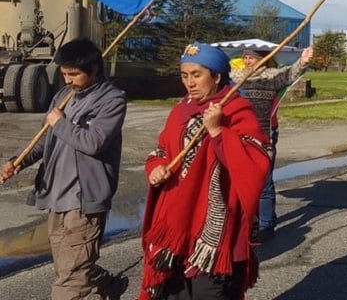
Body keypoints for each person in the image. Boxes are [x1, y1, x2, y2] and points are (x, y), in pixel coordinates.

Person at [140, 42, 271, 300]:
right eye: (184, 75)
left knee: (208, 292)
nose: (189, 82)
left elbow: (255, 163)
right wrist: (156, 168)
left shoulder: (236, 109)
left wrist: (217, 131)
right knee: (174, 292)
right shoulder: (180, 110)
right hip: (178, 219)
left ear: (217, 76)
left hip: (215, 227)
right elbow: (162, 150)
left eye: (197, 75)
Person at [0, 37, 128, 300]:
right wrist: (18, 161)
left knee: (69, 283)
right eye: (64, 74)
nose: (68, 80)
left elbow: (94, 142)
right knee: (70, 268)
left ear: (94, 70)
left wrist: (60, 123)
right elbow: (45, 138)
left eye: (74, 74)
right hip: (55, 196)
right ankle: (108, 285)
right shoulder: (63, 96)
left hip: (84, 201)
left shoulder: (112, 100)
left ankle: (95, 284)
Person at [229, 45, 313, 241]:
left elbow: (289, 76)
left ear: (264, 59)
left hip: (263, 136)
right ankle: (246, 222)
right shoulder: (234, 77)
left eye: (252, 58)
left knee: (264, 183)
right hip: (237, 136)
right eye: (246, 58)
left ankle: (267, 224)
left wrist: (303, 62)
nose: (248, 61)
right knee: (239, 182)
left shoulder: (271, 76)